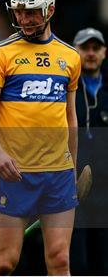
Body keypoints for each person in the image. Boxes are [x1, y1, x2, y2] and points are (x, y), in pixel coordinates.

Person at [0, 0, 80, 275]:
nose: (23, 19)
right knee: (5, 263)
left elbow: (70, 117)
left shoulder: (69, 57)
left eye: (31, 12)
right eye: (19, 12)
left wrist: (72, 165)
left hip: (58, 174)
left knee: (60, 259)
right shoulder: (0, 54)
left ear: (49, 9)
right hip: (15, 173)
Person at [70, 27, 108, 275]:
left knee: (104, 263)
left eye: (96, 48)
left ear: (104, 52)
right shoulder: (64, 91)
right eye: (85, 48)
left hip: (106, 192)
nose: (91, 53)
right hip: (73, 190)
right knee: (77, 261)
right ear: (75, 52)